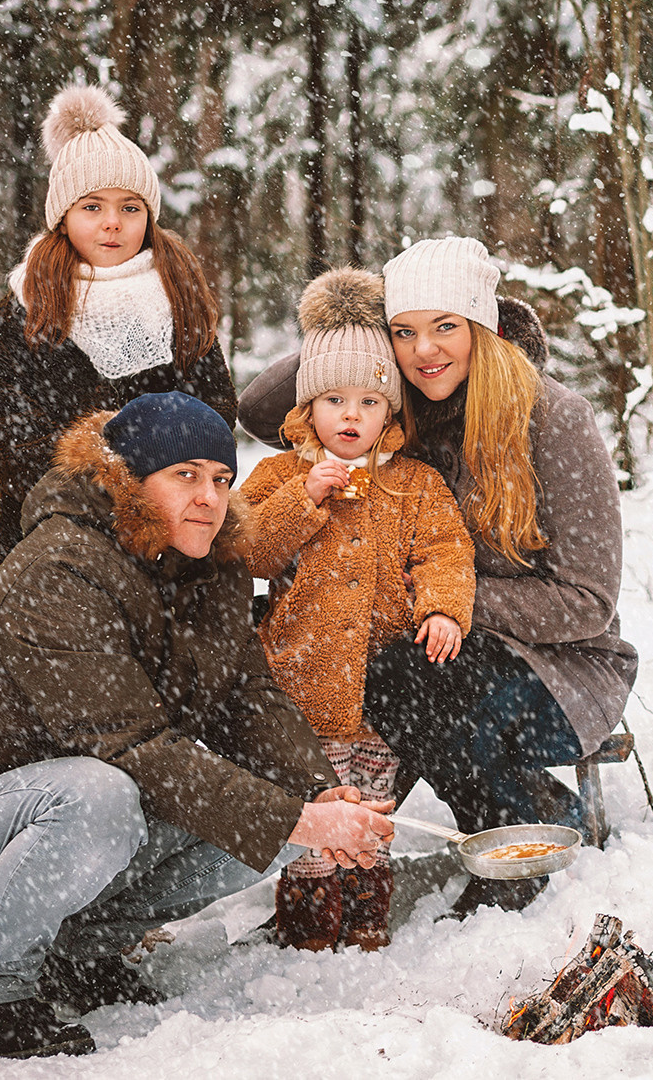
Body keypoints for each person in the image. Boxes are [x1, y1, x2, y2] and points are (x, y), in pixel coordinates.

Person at [0, 392, 395, 1060]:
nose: (208, 495)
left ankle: (80, 954)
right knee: (105, 793)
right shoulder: (61, 566)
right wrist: (299, 819)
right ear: (131, 480)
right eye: (185, 474)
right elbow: (134, 750)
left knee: (274, 801)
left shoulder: (212, 568)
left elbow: (250, 697)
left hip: (72, 817)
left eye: (221, 478)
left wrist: (320, 794)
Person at [238, 237, 635, 916]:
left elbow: (588, 602)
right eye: (406, 332)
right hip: (431, 652)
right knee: (367, 667)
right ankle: (343, 864)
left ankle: (510, 850)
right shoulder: (396, 410)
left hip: (563, 670)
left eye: (446, 326)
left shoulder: (555, 417)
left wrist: (447, 597)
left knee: (410, 675)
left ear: (482, 324)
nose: (425, 350)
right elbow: (256, 409)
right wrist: (351, 323)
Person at [240, 267, 476, 952]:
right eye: (334, 399)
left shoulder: (414, 483)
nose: (351, 416)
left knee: (370, 811)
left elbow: (445, 551)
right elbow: (245, 548)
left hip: (381, 689)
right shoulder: (281, 476)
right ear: (306, 407)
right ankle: (309, 929)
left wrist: (442, 611)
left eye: (370, 401)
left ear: (390, 412)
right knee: (317, 816)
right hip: (302, 684)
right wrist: (301, 501)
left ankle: (367, 920)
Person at [0, 84, 236, 580]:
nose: (112, 223)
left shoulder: (178, 299)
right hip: (48, 528)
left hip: (168, 529)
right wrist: (94, 481)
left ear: (148, 217)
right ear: (63, 218)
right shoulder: (22, 309)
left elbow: (214, 406)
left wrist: (161, 485)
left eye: (130, 207)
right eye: (92, 206)